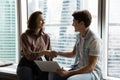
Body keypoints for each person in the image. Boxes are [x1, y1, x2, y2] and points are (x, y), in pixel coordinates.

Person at [50, 10, 103, 80]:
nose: (72, 24)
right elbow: (73, 54)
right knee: (55, 73)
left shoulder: (94, 40)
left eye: (74, 22)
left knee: (71, 79)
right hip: (78, 68)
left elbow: (90, 67)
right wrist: (57, 53)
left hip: (91, 72)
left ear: (81, 23)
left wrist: (68, 73)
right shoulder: (79, 36)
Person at [17, 11, 54, 80]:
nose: (43, 22)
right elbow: (29, 56)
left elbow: (49, 57)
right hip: (26, 64)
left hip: (40, 65)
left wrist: (54, 67)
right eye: (41, 20)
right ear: (34, 21)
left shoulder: (46, 37)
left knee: (49, 75)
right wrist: (44, 52)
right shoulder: (25, 36)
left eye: (44, 20)